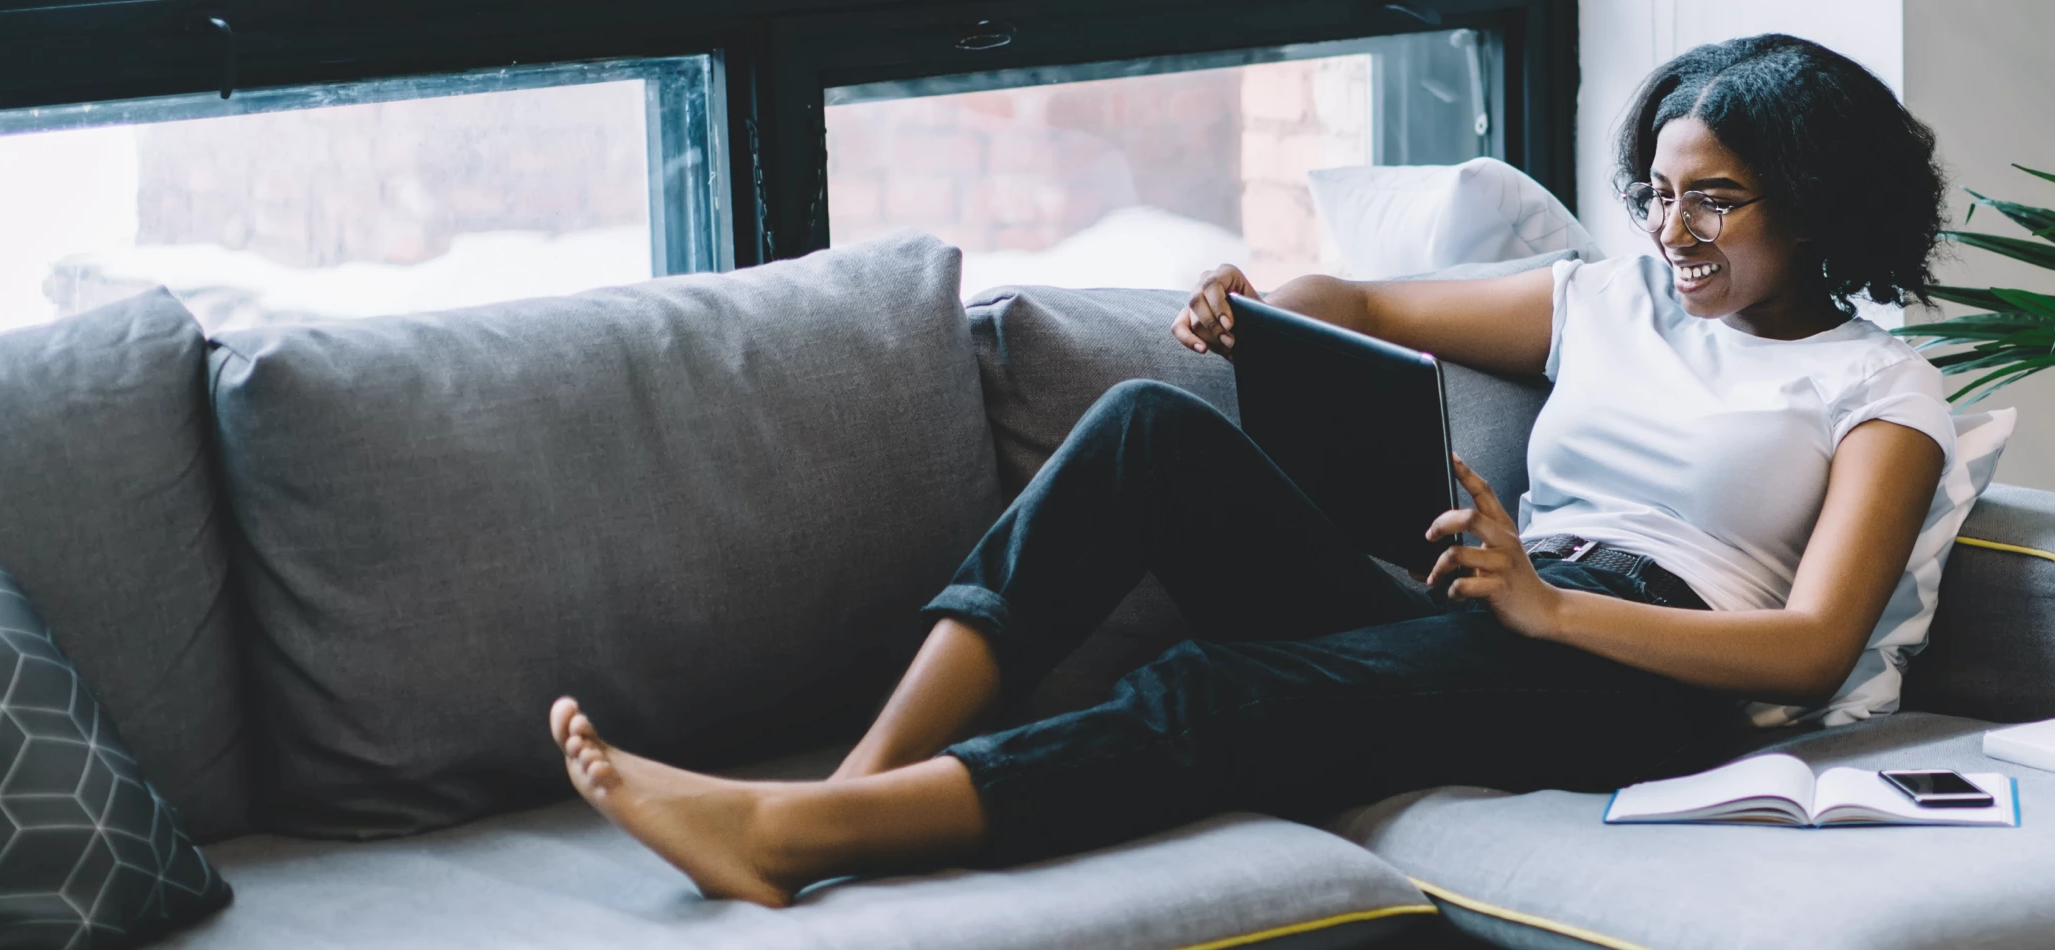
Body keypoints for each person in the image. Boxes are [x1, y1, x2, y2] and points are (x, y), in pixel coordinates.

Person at [545, 33, 1955, 907]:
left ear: (1817, 201)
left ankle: (798, 839)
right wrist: (1261, 303)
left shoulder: (1875, 385)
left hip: (1643, 675)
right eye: (1656, 189)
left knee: (1222, 692)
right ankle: (844, 784)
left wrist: (1552, 607)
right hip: (1484, 605)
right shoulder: (1602, 298)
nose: (1672, 228)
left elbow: (1817, 644)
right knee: (1145, 433)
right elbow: (1359, 303)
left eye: (1714, 196)